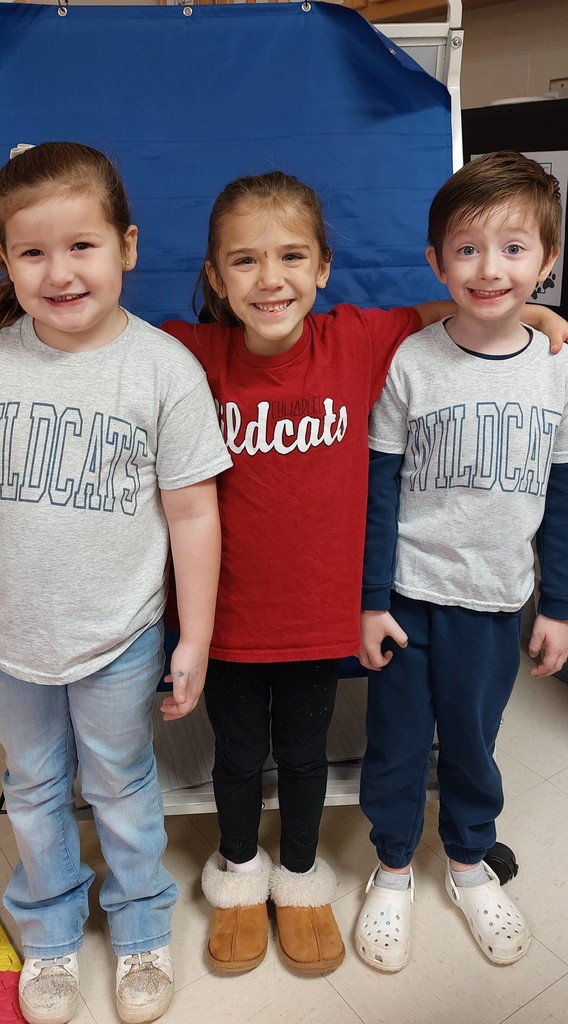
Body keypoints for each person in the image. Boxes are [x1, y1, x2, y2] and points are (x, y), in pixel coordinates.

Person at [160, 169, 567, 977]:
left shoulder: (360, 337)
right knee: (236, 757)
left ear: (323, 267)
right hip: (229, 619)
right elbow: (99, 338)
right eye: (243, 262)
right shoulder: (190, 353)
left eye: (290, 257)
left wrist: (532, 311)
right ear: (214, 278)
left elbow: (449, 311)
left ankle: (304, 877)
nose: (269, 279)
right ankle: (240, 875)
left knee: (307, 756)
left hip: (322, 618)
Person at [0, 141, 231, 1024]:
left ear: (128, 246)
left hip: (118, 636)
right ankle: (50, 928)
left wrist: (196, 637)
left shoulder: (164, 369)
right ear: (8, 262)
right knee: (31, 787)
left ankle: (139, 924)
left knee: (122, 783)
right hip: (14, 641)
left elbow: (194, 516)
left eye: (82, 246)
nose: (59, 272)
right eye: (32, 251)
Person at [356, 149, 568, 974]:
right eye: (468, 248)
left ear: (547, 263)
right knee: (399, 745)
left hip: (496, 601)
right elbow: (379, 490)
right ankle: (393, 867)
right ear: (436, 260)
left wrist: (557, 605)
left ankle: (471, 861)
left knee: (476, 744)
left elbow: (562, 495)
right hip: (409, 597)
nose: (490, 269)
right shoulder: (410, 362)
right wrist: (371, 599)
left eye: (514, 248)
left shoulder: (556, 369)